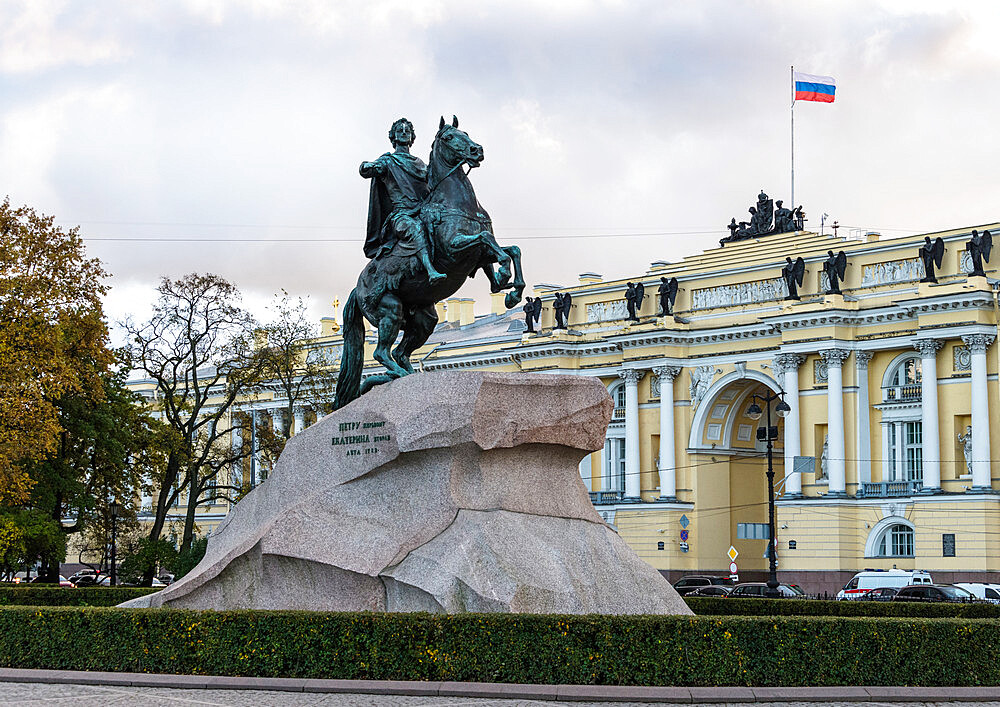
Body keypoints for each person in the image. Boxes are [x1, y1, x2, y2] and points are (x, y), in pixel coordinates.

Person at [360, 118, 446, 284]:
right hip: (401, 215)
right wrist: (366, 166)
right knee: (415, 228)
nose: (404, 133)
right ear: (393, 136)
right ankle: (431, 270)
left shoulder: (420, 163)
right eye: (400, 130)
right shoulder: (387, 161)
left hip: (422, 210)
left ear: (412, 137)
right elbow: (367, 170)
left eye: (407, 131)